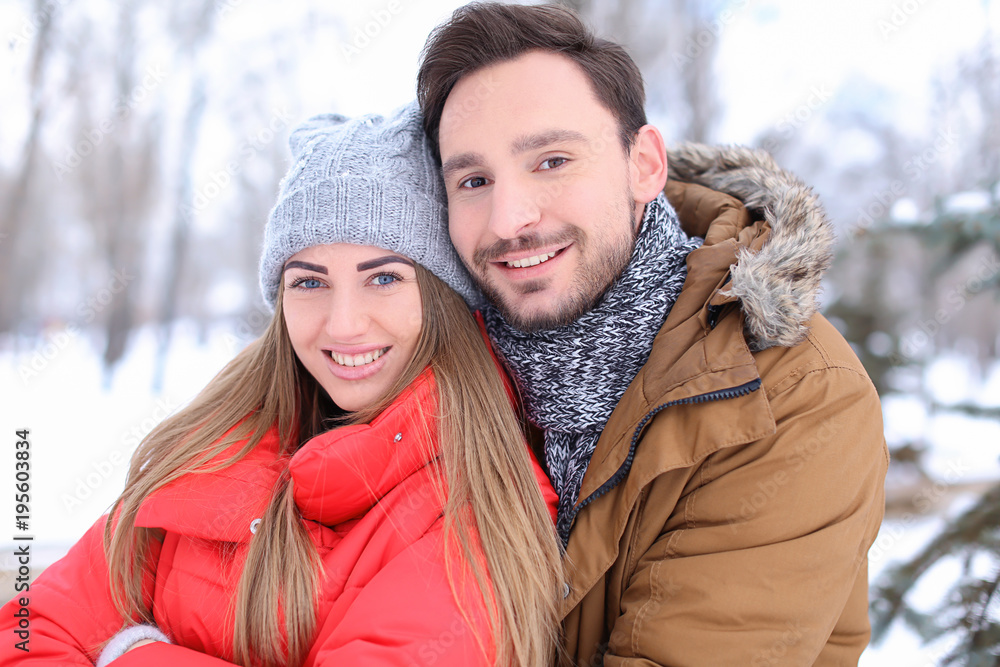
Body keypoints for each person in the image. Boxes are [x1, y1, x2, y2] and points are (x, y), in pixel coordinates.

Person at [0, 103, 563, 666]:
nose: (343, 323)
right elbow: (29, 637)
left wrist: (128, 653)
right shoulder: (212, 448)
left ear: (447, 299)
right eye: (309, 282)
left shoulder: (477, 506)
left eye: (385, 278)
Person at [417, 3, 889, 665]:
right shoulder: (434, 373)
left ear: (644, 165)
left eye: (551, 160)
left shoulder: (793, 397)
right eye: (473, 180)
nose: (510, 218)